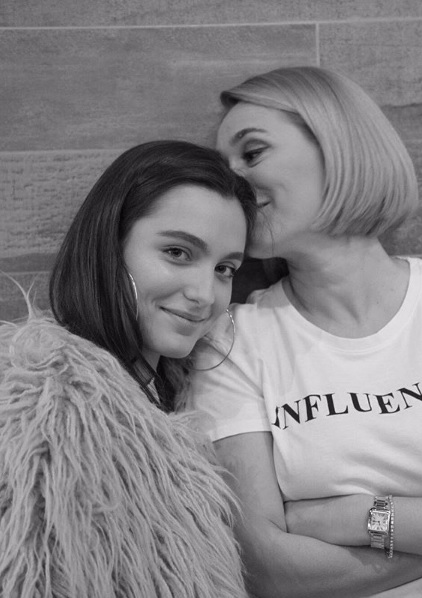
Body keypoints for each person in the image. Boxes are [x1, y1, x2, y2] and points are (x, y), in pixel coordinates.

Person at [187, 67, 422, 597]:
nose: (232, 185)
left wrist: (360, 518)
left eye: (252, 153)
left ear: (338, 145)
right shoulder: (231, 344)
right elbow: (270, 570)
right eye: (223, 171)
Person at [0, 140, 256, 597]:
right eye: (177, 252)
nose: (205, 293)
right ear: (109, 246)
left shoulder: (181, 399)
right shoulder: (48, 406)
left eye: (224, 268)